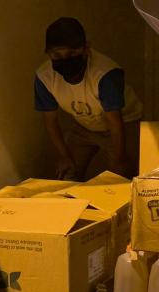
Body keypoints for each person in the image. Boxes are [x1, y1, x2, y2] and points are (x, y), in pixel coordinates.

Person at [34, 17, 143, 181]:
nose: (65, 60)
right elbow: (50, 120)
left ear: (86, 48)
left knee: (123, 178)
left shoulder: (105, 74)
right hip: (84, 126)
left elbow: (114, 120)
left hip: (125, 123)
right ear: (48, 53)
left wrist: (119, 160)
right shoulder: (44, 77)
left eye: (72, 53)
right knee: (67, 174)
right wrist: (64, 156)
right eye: (57, 55)